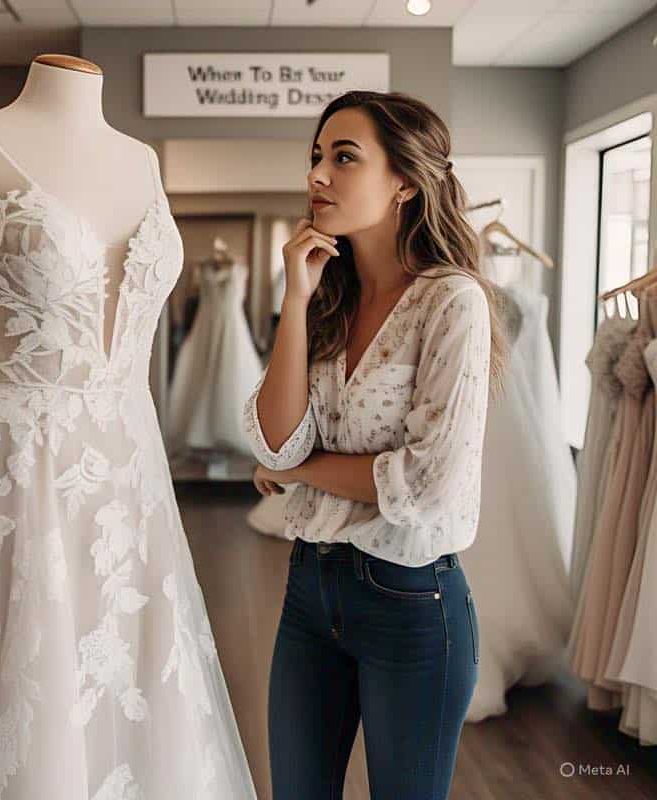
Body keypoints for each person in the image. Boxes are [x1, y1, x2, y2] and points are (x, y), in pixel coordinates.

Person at [241, 90, 508, 800]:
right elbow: (275, 435)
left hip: (412, 602)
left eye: (344, 157)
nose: (317, 176)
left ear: (406, 183)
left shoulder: (453, 302)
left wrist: (297, 469)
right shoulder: (324, 298)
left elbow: (423, 484)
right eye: (316, 158)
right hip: (309, 591)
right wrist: (295, 300)